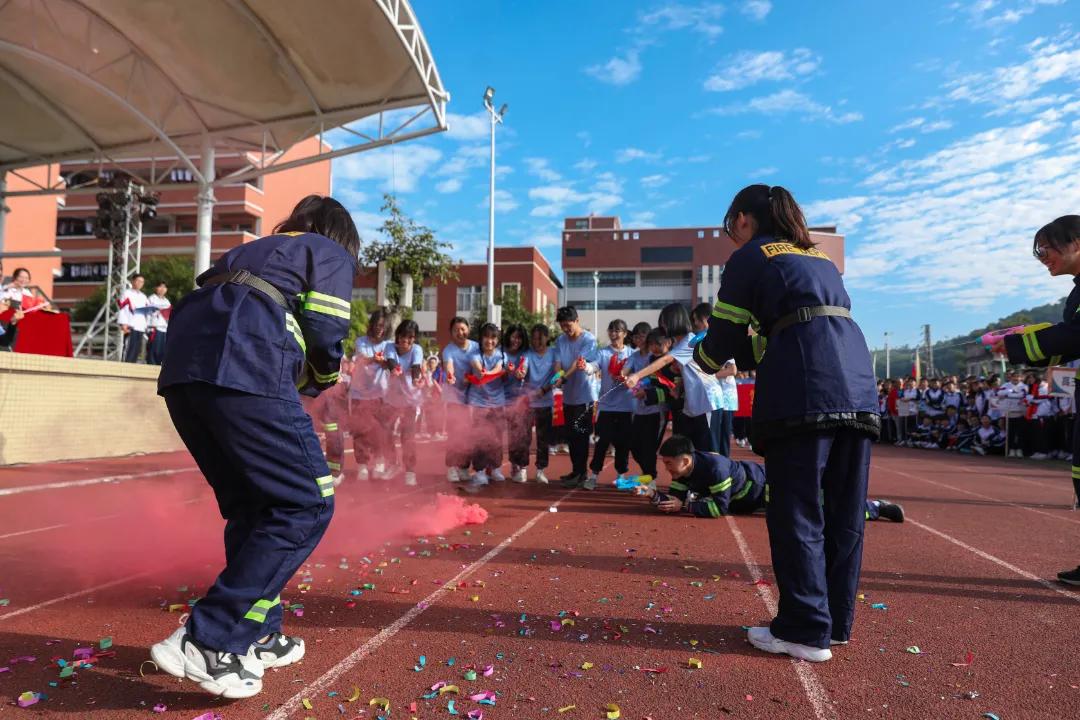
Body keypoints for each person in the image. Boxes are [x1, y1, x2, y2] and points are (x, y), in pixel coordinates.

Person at [150, 195, 358, 697]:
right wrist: (323, 379)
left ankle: (260, 633)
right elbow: (327, 328)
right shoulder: (325, 252)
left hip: (183, 376)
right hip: (247, 366)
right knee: (306, 503)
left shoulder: (249, 250)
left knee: (253, 506)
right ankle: (209, 637)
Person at [685, 184, 880, 662]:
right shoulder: (817, 259)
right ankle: (833, 623)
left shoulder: (751, 256)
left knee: (795, 508)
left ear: (744, 219)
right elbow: (793, 326)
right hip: (856, 382)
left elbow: (726, 334)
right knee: (844, 510)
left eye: (733, 224)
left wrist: (702, 359)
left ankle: (802, 628)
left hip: (805, 388)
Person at [991, 215, 1080, 585]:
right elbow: (1065, 345)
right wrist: (1016, 346)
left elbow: (1074, 337)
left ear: (1076, 242)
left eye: (1046, 248)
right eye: (1037, 251)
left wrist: (1016, 345)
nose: (1042, 256)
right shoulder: (1076, 292)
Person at [642, 435, 904, 523]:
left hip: (768, 486)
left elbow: (718, 508)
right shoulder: (683, 471)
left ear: (685, 460)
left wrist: (686, 506)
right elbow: (672, 501)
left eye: (668, 464)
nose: (666, 470)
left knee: (821, 505)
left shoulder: (715, 468)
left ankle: (876, 508)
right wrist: (652, 496)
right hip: (758, 499)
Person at [625, 303, 721, 454]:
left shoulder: (690, 340)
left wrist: (637, 375)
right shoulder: (680, 343)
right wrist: (679, 387)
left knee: (708, 450)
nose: (662, 325)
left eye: (664, 321)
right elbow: (692, 371)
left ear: (674, 321)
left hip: (707, 401)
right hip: (693, 403)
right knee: (689, 449)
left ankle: (717, 477)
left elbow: (665, 360)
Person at [553, 306, 599, 488]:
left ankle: (582, 472)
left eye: (569, 325)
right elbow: (557, 363)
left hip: (585, 395)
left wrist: (564, 376)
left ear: (577, 321)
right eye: (562, 326)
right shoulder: (560, 340)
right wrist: (558, 377)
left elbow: (577, 362)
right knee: (571, 436)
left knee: (581, 435)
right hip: (568, 397)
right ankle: (576, 470)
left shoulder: (588, 339)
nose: (566, 329)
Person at [588, 319, 635, 486]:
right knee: (602, 441)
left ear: (625, 333)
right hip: (607, 406)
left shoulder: (632, 354)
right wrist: (586, 367)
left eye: (617, 331)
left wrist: (627, 378)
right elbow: (594, 366)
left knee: (623, 443)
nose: (614, 334)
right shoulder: (603, 353)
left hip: (626, 406)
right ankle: (594, 475)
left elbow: (638, 375)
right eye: (611, 330)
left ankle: (621, 475)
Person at [348, 309, 391, 481]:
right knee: (360, 431)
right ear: (371, 325)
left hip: (380, 394)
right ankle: (363, 465)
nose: (380, 329)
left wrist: (387, 363)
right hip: (359, 394)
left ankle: (379, 461)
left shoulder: (388, 345)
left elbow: (392, 363)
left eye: (383, 326)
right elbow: (362, 359)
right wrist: (377, 360)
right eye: (377, 325)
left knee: (379, 431)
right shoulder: (361, 342)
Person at [383, 319, 424, 486]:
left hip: (410, 400)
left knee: (407, 436)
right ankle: (393, 464)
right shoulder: (389, 347)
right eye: (403, 336)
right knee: (385, 432)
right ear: (397, 336)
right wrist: (394, 369)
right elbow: (391, 362)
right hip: (392, 400)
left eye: (410, 337)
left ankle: (410, 470)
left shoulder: (417, 350)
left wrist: (416, 379)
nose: (406, 341)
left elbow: (416, 367)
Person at [467, 323, 507, 486]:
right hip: (479, 402)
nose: (489, 341)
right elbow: (476, 367)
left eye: (493, 338)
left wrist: (487, 373)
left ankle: (495, 467)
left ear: (497, 340)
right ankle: (480, 470)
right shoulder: (475, 355)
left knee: (496, 437)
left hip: (497, 402)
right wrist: (481, 371)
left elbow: (498, 369)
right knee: (480, 437)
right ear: (481, 339)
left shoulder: (501, 356)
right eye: (486, 337)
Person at [442, 317, 479, 483]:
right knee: (455, 431)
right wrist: (450, 375)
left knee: (468, 434)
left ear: (468, 329)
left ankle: (464, 467)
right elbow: (448, 365)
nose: (460, 333)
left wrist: (471, 378)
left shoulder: (476, 347)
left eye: (463, 329)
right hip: (454, 396)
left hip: (472, 396)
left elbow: (479, 368)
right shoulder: (448, 350)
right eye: (456, 330)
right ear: (451, 333)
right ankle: (451, 466)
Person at [627, 324, 666, 480]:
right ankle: (648, 474)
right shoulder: (634, 357)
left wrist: (642, 384)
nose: (639, 339)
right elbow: (625, 372)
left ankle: (650, 478)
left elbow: (659, 377)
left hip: (656, 409)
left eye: (642, 335)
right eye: (636, 336)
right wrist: (623, 377)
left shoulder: (657, 355)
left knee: (649, 447)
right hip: (639, 409)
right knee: (635, 446)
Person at [522, 323, 555, 484]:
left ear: (547, 338)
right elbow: (523, 368)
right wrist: (520, 372)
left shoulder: (554, 353)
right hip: (528, 402)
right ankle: (522, 468)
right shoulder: (527, 354)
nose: (537, 342)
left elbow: (560, 373)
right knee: (524, 437)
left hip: (545, 401)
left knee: (543, 439)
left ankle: (540, 470)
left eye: (540, 338)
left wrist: (545, 389)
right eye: (534, 338)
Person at [502, 324, 531, 483]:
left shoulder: (525, 354)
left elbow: (523, 370)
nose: (516, 340)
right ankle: (511, 464)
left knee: (522, 435)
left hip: (521, 400)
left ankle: (522, 466)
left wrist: (519, 372)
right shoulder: (502, 353)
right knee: (507, 435)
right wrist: (506, 372)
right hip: (503, 399)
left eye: (519, 338)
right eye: (513, 336)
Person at [118, 274, 150, 363]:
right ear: (133, 281)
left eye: (142, 282)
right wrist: (123, 324)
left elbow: (147, 311)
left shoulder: (144, 296)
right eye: (138, 281)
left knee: (136, 349)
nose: (140, 283)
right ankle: (124, 368)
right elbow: (122, 308)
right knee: (128, 348)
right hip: (130, 325)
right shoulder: (127, 293)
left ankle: (131, 369)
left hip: (140, 326)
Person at [146, 281, 171, 366]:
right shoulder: (151, 299)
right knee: (153, 351)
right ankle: (150, 367)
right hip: (154, 328)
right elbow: (147, 314)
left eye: (164, 287)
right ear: (156, 288)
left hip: (164, 329)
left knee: (161, 352)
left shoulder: (167, 302)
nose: (162, 289)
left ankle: (157, 368)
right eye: (160, 286)